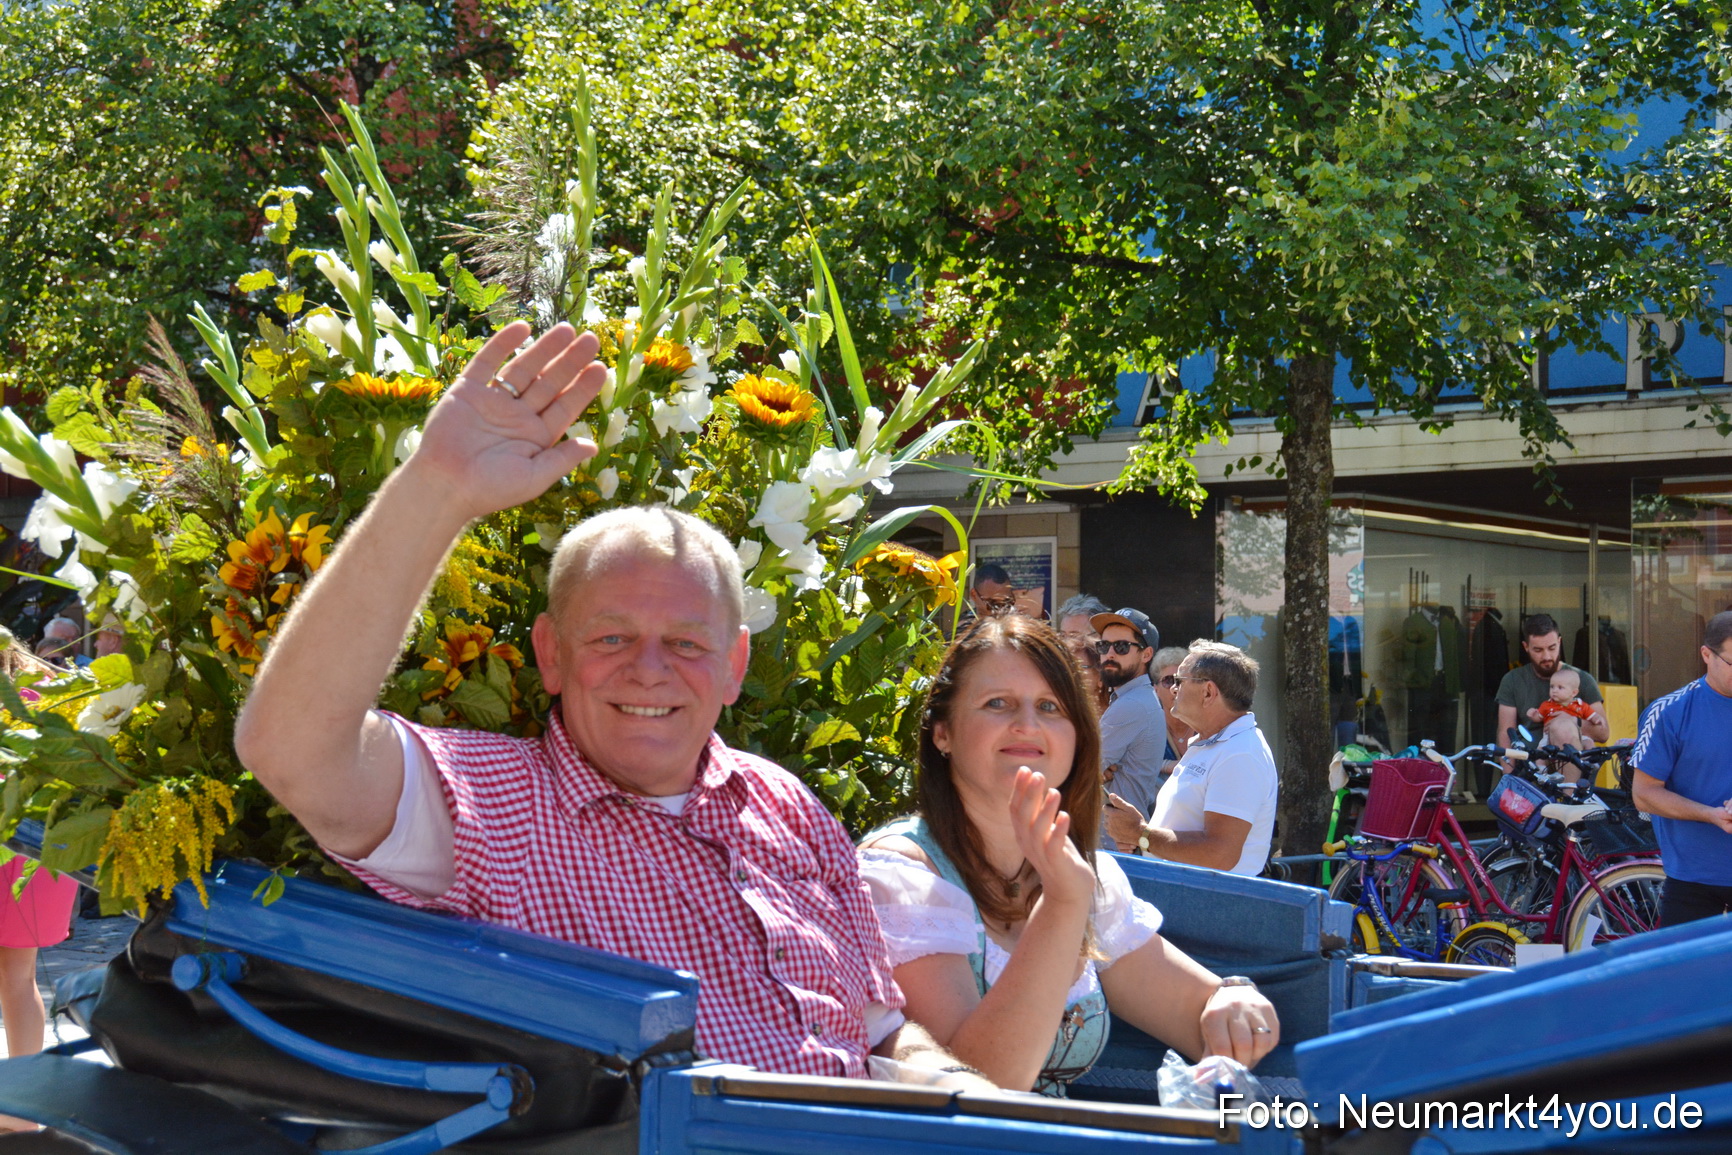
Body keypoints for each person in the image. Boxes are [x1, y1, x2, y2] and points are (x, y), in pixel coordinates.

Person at [234, 321, 982, 1085]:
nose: (649, 671)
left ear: (734, 666)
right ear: (551, 654)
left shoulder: (787, 806)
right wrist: (436, 486)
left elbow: (878, 1028)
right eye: (612, 638)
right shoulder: (494, 805)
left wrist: (963, 1090)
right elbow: (291, 747)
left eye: (685, 643)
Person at [856, 615, 1278, 1096]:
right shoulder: (904, 877)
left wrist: (1231, 1001)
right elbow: (979, 1091)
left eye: (1050, 707)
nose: (1027, 725)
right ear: (942, 733)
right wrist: (1062, 903)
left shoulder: (1077, 873)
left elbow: (1196, 1013)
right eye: (997, 703)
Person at [1105, 641, 1277, 876]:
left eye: (1179, 681)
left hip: (1210, 897)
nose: (1173, 689)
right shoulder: (1216, 743)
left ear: (1208, 692)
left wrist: (1141, 834)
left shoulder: (1240, 754)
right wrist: (1141, 840)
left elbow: (1219, 853)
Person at [0, 642, 79, 1133]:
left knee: (17, 977)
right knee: (19, 976)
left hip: (17, 845)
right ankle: (19, 1113)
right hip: (42, 850)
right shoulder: (50, 692)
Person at [1630, 611, 1732, 927]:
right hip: (1693, 879)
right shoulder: (1669, 712)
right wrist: (1710, 814)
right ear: (1706, 655)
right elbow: (1644, 795)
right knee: (1686, 961)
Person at [1090, 607, 1166, 844]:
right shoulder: (1133, 698)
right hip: (1119, 842)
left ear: (1146, 654)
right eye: (1103, 646)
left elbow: (1076, 770)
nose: (1110, 654)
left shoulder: (1132, 704)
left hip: (1117, 845)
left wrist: (1093, 772)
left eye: (1121, 647)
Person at [1496, 613, 1610, 752]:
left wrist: (1572, 721)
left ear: (1559, 642)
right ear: (1526, 647)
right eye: (1538, 650)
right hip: (1530, 760)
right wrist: (1508, 766)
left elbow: (1603, 733)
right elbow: (1506, 733)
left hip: (1572, 757)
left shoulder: (1582, 679)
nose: (1547, 656)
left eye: (1552, 648)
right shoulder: (1513, 680)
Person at [1526, 667, 1602, 755]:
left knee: (1589, 743)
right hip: (1550, 737)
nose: (1554, 691)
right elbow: (1538, 717)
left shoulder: (1580, 705)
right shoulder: (1547, 705)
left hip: (1577, 735)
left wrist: (1597, 719)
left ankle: (1589, 760)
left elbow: (1592, 715)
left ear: (1574, 692)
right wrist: (1532, 715)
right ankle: (1540, 764)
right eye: (1552, 687)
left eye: (1560, 687)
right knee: (1540, 752)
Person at [1150, 645, 1197, 776]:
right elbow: (1134, 763)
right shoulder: (1149, 729)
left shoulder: (1207, 726)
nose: (1175, 688)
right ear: (1156, 690)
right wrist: (1166, 766)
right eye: (1168, 681)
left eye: (1181, 681)